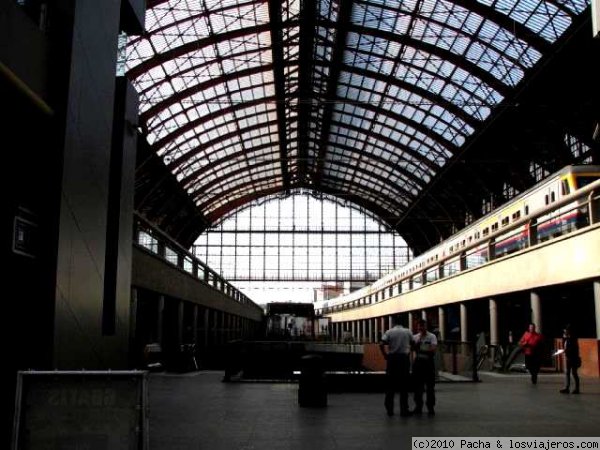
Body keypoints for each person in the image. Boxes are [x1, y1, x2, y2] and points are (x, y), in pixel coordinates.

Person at [379, 315, 413, 417]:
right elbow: (413, 343)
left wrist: (385, 355)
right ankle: (404, 410)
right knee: (404, 386)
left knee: (390, 385)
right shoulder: (408, 331)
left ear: (394, 323)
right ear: (403, 322)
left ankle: (390, 409)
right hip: (404, 360)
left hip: (392, 359)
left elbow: (381, 343)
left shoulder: (389, 332)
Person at [411, 319, 438, 416]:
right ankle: (418, 407)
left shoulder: (432, 336)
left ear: (426, 327)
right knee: (418, 387)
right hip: (418, 364)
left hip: (428, 364)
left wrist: (420, 348)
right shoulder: (415, 337)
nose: (421, 328)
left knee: (430, 387)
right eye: (419, 326)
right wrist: (423, 346)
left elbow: (433, 350)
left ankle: (430, 407)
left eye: (423, 326)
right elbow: (412, 348)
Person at [560, 324, 580, 394]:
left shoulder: (573, 338)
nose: (564, 332)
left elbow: (573, 348)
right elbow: (564, 345)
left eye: (565, 330)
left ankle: (577, 389)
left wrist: (566, 350)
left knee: (574, 373)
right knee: (567, 373)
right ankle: (567, 388)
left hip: (573, 358)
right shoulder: (567, 338)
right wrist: (564, 338)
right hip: (568, 358)